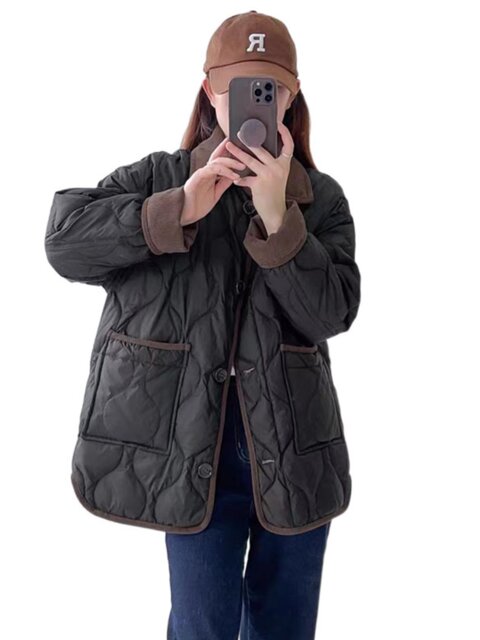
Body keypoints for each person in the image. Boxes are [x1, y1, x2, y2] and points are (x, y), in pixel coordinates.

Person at [44, 10, 361, 640]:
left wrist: (280, 220)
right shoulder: (160, 178)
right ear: (211, 91)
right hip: (190, 445)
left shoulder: (320, 199)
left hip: (294, 447)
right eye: (237, 86)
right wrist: (181, 207)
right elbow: (64, 243)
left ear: (291, 96)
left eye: (268, 89)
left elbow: (333, 313)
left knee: (286, 626)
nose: (253, 102)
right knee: (200, 626)